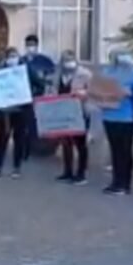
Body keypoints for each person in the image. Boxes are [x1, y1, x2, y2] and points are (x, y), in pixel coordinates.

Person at [99, 48, 133, 195]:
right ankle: (116, 182)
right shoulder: (106, 72)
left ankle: (125, 184)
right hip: (109, 116)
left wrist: (130, 94)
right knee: (115, 151)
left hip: (127, 118)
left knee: (125, 151)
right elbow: (98, 92)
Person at [0, 48, 42, 178]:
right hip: (4, 112)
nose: (12, 59)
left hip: (21, 110)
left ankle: (16, 167)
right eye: (10, 56)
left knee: (19, 138)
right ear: (6, 58)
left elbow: (39, 85)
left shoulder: (26, 69)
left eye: (14, 56)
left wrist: (30, 95)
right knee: (2, 138)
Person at [54, 50, 92, 185]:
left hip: (80, 112)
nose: (68, 63)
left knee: (80, 144)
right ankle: (67, 172)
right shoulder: (58, 74)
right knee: (66, 143)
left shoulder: (85, 74)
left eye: (70, 60)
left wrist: (84, 93)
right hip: (63, 112)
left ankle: (81, 174)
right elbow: (53, 90)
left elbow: (94, 91)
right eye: (65, 60)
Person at [21, 34, 55, 161]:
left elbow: (52, 77)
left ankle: (37, 148)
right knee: (25, 123)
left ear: (37, 45)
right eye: (28, 45)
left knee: (36, 123)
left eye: (33, 45)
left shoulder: (45, 61)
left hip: (40, 97)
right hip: (24, 97)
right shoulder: (21, 61)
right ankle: (25, 149)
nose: (31, 47)